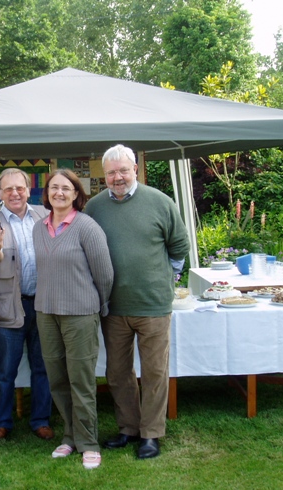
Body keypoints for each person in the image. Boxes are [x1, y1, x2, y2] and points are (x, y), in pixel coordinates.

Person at [84, 144, 190, 460]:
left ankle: (151, 434)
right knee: (118, 372)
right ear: (105, 175)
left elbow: (179, 245)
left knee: (155, 371)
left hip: (153, 305)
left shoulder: (160, 202)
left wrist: (163, 279)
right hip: (113, 305)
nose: (118, 177)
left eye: (123, 170)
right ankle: (128, 428)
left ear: (135, 170)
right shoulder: (95, 207)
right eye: (112, 172)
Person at [32, 169, 113, 470]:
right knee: (57, 378)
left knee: (81, 379)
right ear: (47, 193)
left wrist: (98, 304)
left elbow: (104, 274)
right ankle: (70, 436)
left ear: (77, 194)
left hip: (80, 313)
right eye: (54, 188)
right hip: (46, 312)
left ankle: (89, 442)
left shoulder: (87, 227)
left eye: (66, 188)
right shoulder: (39, 228)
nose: (59, 193)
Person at [0, 168, 54, 442]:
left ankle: (41, 420)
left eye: (19, 188)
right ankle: (1, 422)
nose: (14, 193)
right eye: (8, 189)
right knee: (5, 370)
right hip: (11, 307)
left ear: (28, 190)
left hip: (44, 305)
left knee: (43, 366)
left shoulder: (45, 216)